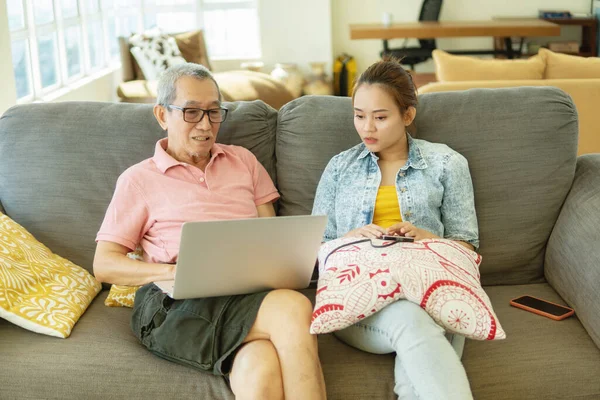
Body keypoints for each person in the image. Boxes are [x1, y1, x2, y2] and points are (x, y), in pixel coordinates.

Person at [94, 63, 326, 400]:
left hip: (246, 296)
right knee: (292, 309)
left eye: (214, 112)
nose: (205, 125)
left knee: (260, 368)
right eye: (191, 112)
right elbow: (104, 264)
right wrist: (172, 272)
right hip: (174, 304)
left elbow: (271, 235)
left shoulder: (244, 161)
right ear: (162, 115)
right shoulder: (138, 180)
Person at [312, 58, 479, 400]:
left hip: (431, 290)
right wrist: (348, 239)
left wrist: (426, 237)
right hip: (359, 299)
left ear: (407, 115)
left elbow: (468, 249)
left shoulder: (447, 164)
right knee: (410, 316)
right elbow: (313, 250)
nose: (367, 128)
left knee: (422, 316)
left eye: (380, 116)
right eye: (359, 115)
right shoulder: (340, 168)